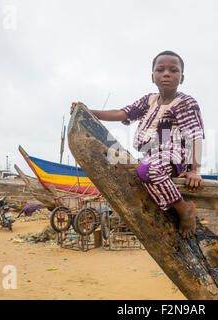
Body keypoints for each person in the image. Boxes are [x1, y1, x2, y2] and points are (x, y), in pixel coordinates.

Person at [70, 50, 204, 239]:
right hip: (150, 155)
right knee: (127, 173)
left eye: (173, 70)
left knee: (145, 170)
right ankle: (164, 212)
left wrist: (194, 170)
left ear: (182, 78)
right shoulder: (148, 100)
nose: (166, 74)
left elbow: (194, 136)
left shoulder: (185, 103)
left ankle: (184, 209)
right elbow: (121, 113)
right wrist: (88, 111)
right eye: (161, 70)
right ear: (153, 76)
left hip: (173, 155)